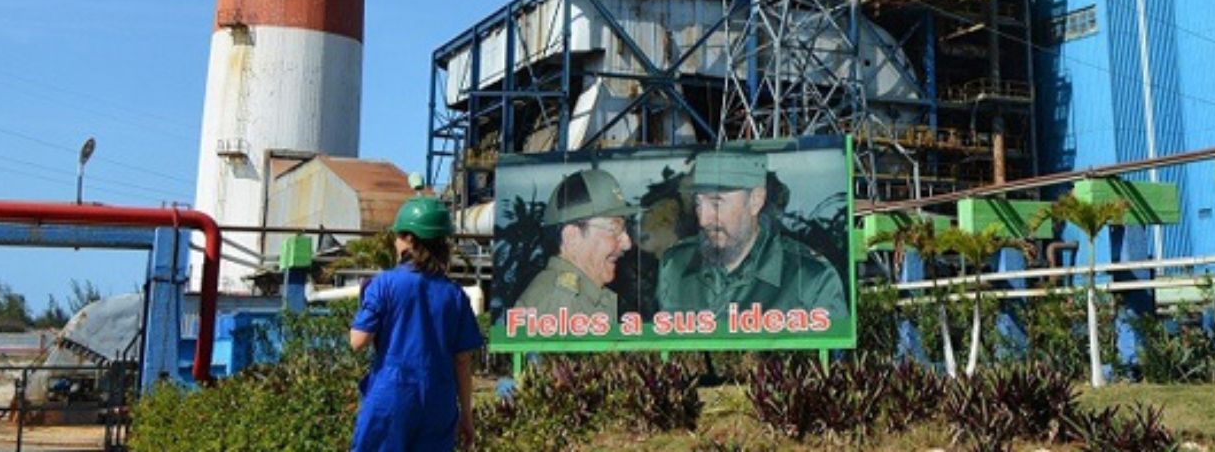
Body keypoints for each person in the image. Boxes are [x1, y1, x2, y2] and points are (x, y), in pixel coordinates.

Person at [349, 196, 484, 452]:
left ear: (409, 241)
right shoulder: (455, 295)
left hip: (391, 397)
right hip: (439, 402)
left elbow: (358, 341)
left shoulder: (383, 284)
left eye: (398, 235)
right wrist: (466, 415)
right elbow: (463, 361)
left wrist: (365, 305)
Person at [655, 150, 847, 317]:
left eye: (716, 203)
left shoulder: (809, 280)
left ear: (755, 201)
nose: (703, 220)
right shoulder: (675, 266)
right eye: (698, 204)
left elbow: (833, 358)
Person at [512, 167, 635, 320]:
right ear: (572, 237)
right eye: (613, 228)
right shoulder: (557, 305)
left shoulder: (583, 298)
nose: (627, 243)